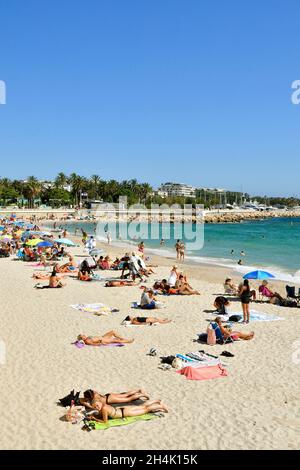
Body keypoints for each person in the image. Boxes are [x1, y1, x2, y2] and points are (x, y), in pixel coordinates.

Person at [84, 398, 168, 423]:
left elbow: (105, 421)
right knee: (143, 406)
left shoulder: (104, 409)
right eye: (95, 407)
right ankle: (157, 401)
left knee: (145, 410)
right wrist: (95, 415)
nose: (97, 408)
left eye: (97, 405)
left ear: (99, 403)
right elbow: (101, 414)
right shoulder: (104, 405)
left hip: (126, 413)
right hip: (123, 409)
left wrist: (94, 419)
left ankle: (161, 406)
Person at [80, 389, 150, 407]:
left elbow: (93, 406)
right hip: (108, 395)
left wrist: (85, 403)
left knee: (128, 399)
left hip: (109, 400)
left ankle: (142, 395)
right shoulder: (94, 392)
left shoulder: (95, 399)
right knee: (126, 394)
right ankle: (138, 390)